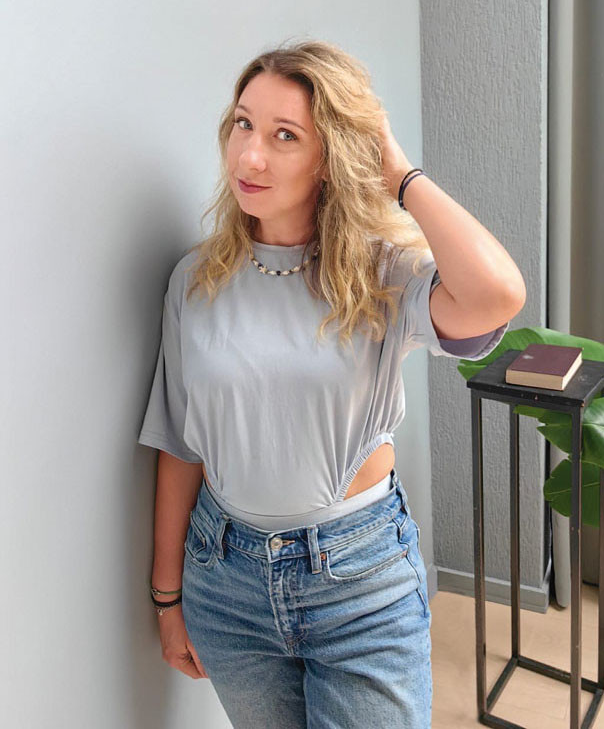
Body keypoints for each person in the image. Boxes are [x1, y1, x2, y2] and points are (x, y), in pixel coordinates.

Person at [137, 39, 525, 728]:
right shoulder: (194, 281)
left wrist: (400, 174)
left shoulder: (384, 274)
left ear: (332, 155)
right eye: (243, 124)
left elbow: (496, 295)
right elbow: (181, 444)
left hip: (358, 582)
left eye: (284, 135)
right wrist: (167, 598)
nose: (249, 156)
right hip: (225, 580)